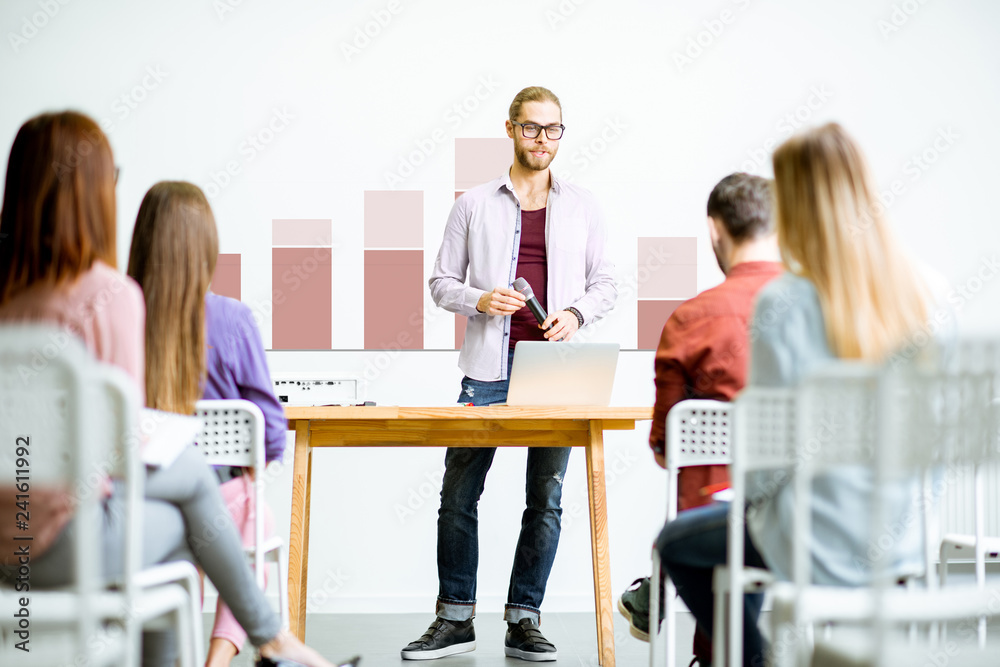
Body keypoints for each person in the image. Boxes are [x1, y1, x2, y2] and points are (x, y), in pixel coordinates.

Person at [0, 111, 335, 667]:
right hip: (65, 545)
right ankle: (272, 641)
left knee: (190, 494)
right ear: (91, 195)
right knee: (192, 508)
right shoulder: (109, 296)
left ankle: (272, 642)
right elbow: (121, 452)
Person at [655, 123, 934, 666]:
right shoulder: (923, 293)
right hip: (905, 535)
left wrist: (747, 505)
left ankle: (749, 661)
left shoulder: (783, 305)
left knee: (678, 543)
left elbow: (767, 462)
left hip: (812, 540)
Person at [403, 86, 617, 661]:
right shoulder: (472, 204)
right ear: (510, 129)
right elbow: (441, 283)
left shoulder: (584, 206)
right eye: (531, 128)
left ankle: (524, 618)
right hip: (485, 374)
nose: (542, 140)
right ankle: (454, 619)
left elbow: (607, 284)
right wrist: (480, 299)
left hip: (555, 373)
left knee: (544, 499)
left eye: (553, 130)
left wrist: (574, 314)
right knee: (458, 495)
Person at [616, 173, 781, 665]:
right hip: (822, 511)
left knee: (703, 520)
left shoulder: (690, 320)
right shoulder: (825, 310)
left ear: (715, 231)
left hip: (721, 509)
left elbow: (667, 447)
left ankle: (711, 644)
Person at [126, 181, 288, 667]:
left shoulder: (119, 315)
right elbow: (271, 433)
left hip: (143, 499)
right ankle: (216, 661)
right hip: (225, 503)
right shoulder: (234, 319)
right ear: (206, 247)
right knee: (255, 527)